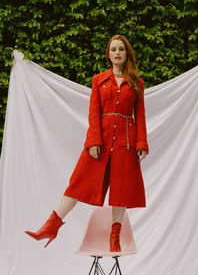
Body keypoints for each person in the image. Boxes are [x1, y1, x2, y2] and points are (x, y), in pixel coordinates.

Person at [25, 34, 149, 252]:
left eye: (121, 49)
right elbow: (94, 113)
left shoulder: (136, 83)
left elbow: (140, 115)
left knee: (120, 190)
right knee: (78, 183)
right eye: (113, 50)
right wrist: (93, 140)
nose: (117, 53)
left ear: (126, 53)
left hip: (125, 142)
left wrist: (141, 143)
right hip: (101, 139)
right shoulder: (99, 80)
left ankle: (115, 237)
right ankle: (51, 225)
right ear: (108, 54)